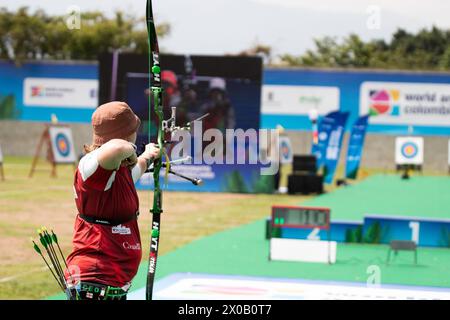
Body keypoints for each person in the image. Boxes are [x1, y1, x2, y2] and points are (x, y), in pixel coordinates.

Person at [64, 101, 160, 300]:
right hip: (95, 280)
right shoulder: (90, 164)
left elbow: (136, 169)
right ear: (126, 134)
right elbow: (117, 147)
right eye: (133, 130)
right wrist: (132, 151)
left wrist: (147, 156)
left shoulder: (114, 173)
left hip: (109, 284)